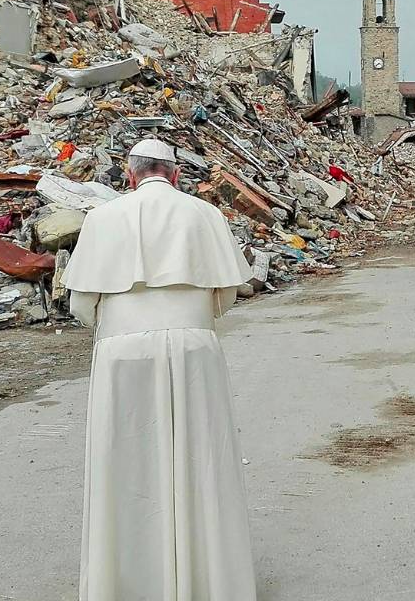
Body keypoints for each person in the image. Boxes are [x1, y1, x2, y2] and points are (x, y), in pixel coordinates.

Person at [62, 139, 257, 601]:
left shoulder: (103, 217)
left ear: (129, 176)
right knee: (201, 460)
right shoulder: (205, 214)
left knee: (124, 464)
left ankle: (126, 585)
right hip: (193, 347)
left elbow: (81, 305)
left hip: (121, 353)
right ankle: (208, 584)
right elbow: (227, 295)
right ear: (176, 174)